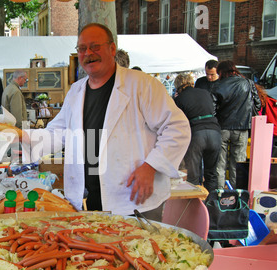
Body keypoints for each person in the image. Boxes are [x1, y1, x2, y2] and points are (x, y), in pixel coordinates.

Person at [23, 23, 191, 220]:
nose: (88, 53)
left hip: (133, 200)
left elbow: (177, 128)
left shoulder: (142, 85)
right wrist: (20, 136)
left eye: (95, 46)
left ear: (112, 49)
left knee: (139, 250)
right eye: (82, 48)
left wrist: (151, 166)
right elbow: (56, 134)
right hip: (87, 200)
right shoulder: (76, 92)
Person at [212, 60, 261, 189]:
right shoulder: (248, 83)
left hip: (222, 128)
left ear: (221, 72)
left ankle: (219, 195)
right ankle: (237, 195)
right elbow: (257, 105)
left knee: (220, 164)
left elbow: (212, 109)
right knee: (238, 164)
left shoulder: (218, 85)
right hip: (242, 128)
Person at [173, 73, 221, 192]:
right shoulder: (205, 93)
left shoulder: (179, 99)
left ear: (178, 86)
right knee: (211, 173)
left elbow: (177, 121)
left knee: (193, 175)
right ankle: (212, 204)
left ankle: (194, 205)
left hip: (197, 134)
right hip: (215, 132)